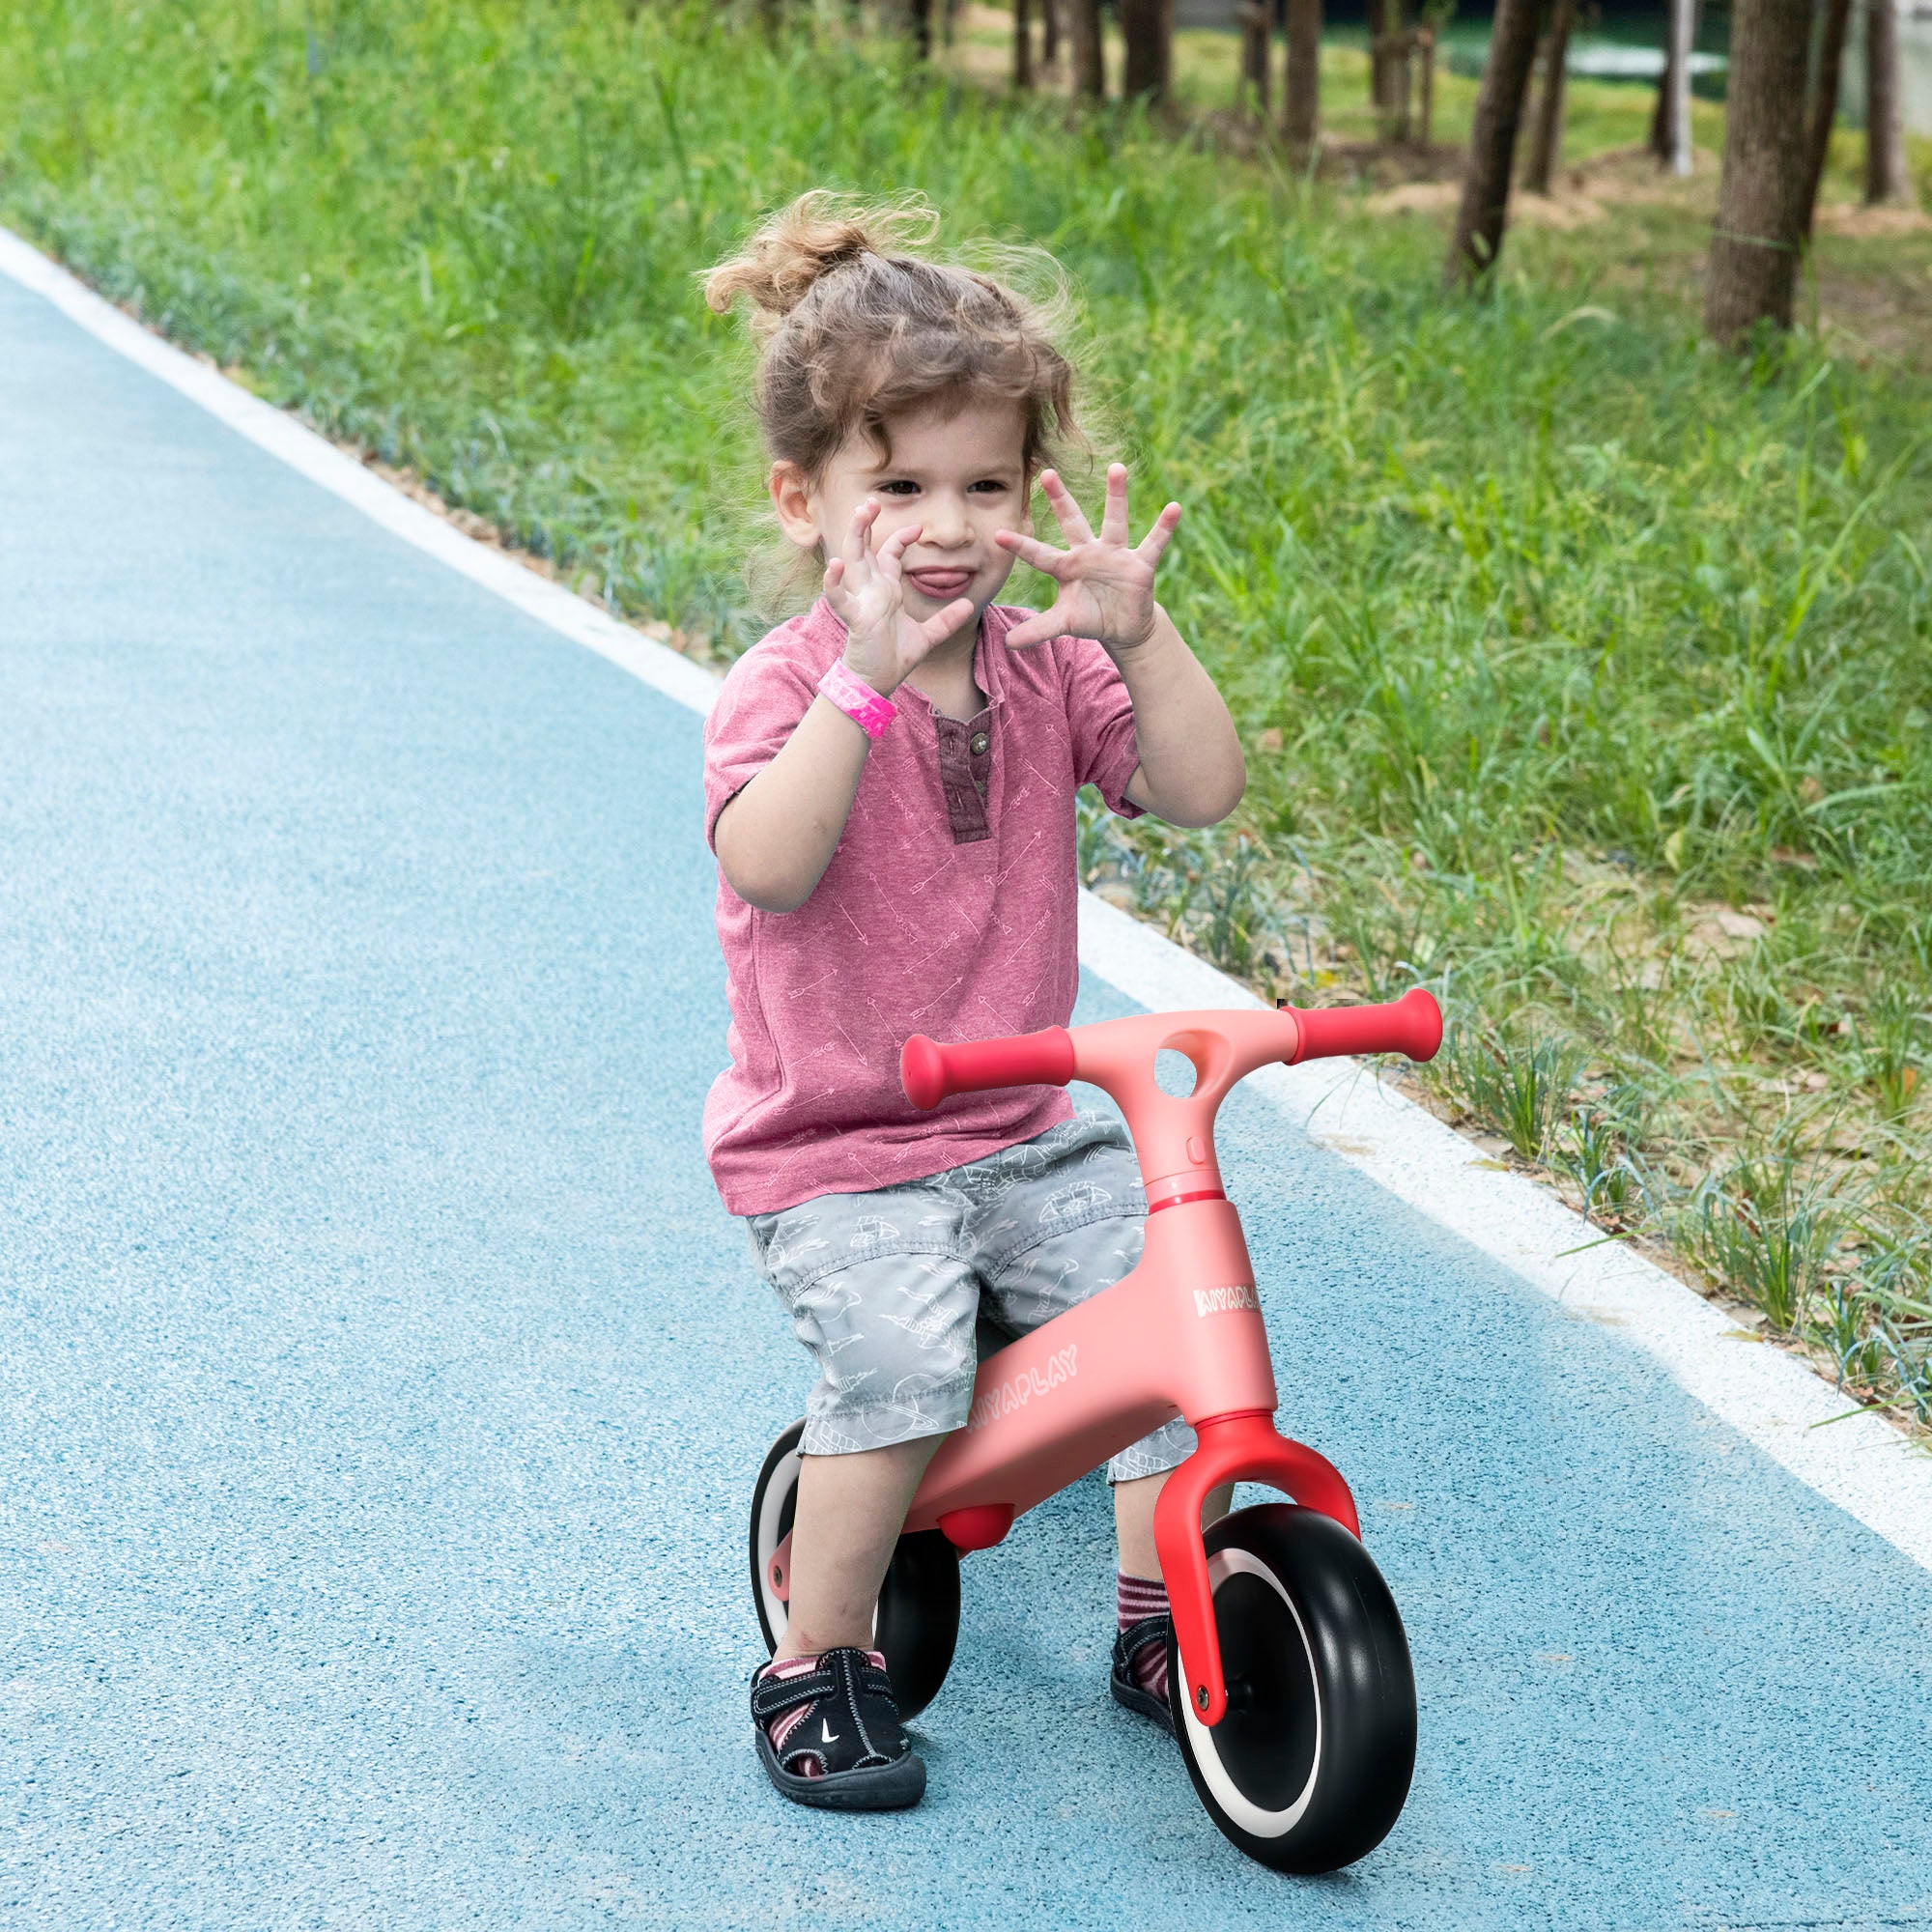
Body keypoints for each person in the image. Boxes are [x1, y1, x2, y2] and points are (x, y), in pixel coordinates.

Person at [701, 191, 1246, 1812]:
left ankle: (1171, 1617)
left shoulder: (1046, 668)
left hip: (1021, 1119)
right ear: (808, 503)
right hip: (843, 1144)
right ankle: (817, 1656)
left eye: (986, 484)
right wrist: (862, 686)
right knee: (902, 1369)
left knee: (1184, 1315)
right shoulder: (788, 689)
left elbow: (1201, 790)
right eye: (901, 487)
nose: (946, 525)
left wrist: (1142, 643)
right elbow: (772, 866)